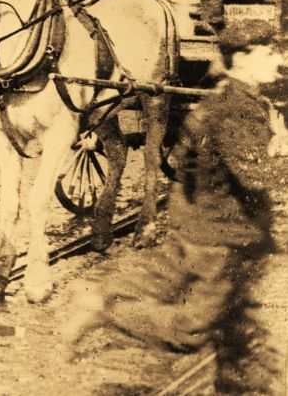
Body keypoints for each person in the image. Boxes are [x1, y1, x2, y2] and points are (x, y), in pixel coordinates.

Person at [65, 22, 287, 394]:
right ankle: (103, 308)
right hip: (222, 238)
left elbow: (190, 164)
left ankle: (254, 384)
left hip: (221, 232)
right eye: (269, 53)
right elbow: (256, 176)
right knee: (191, 330)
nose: (278, 61)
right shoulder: (237, 108)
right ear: (242, 59)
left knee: (242, 332)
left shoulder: (228, 99)